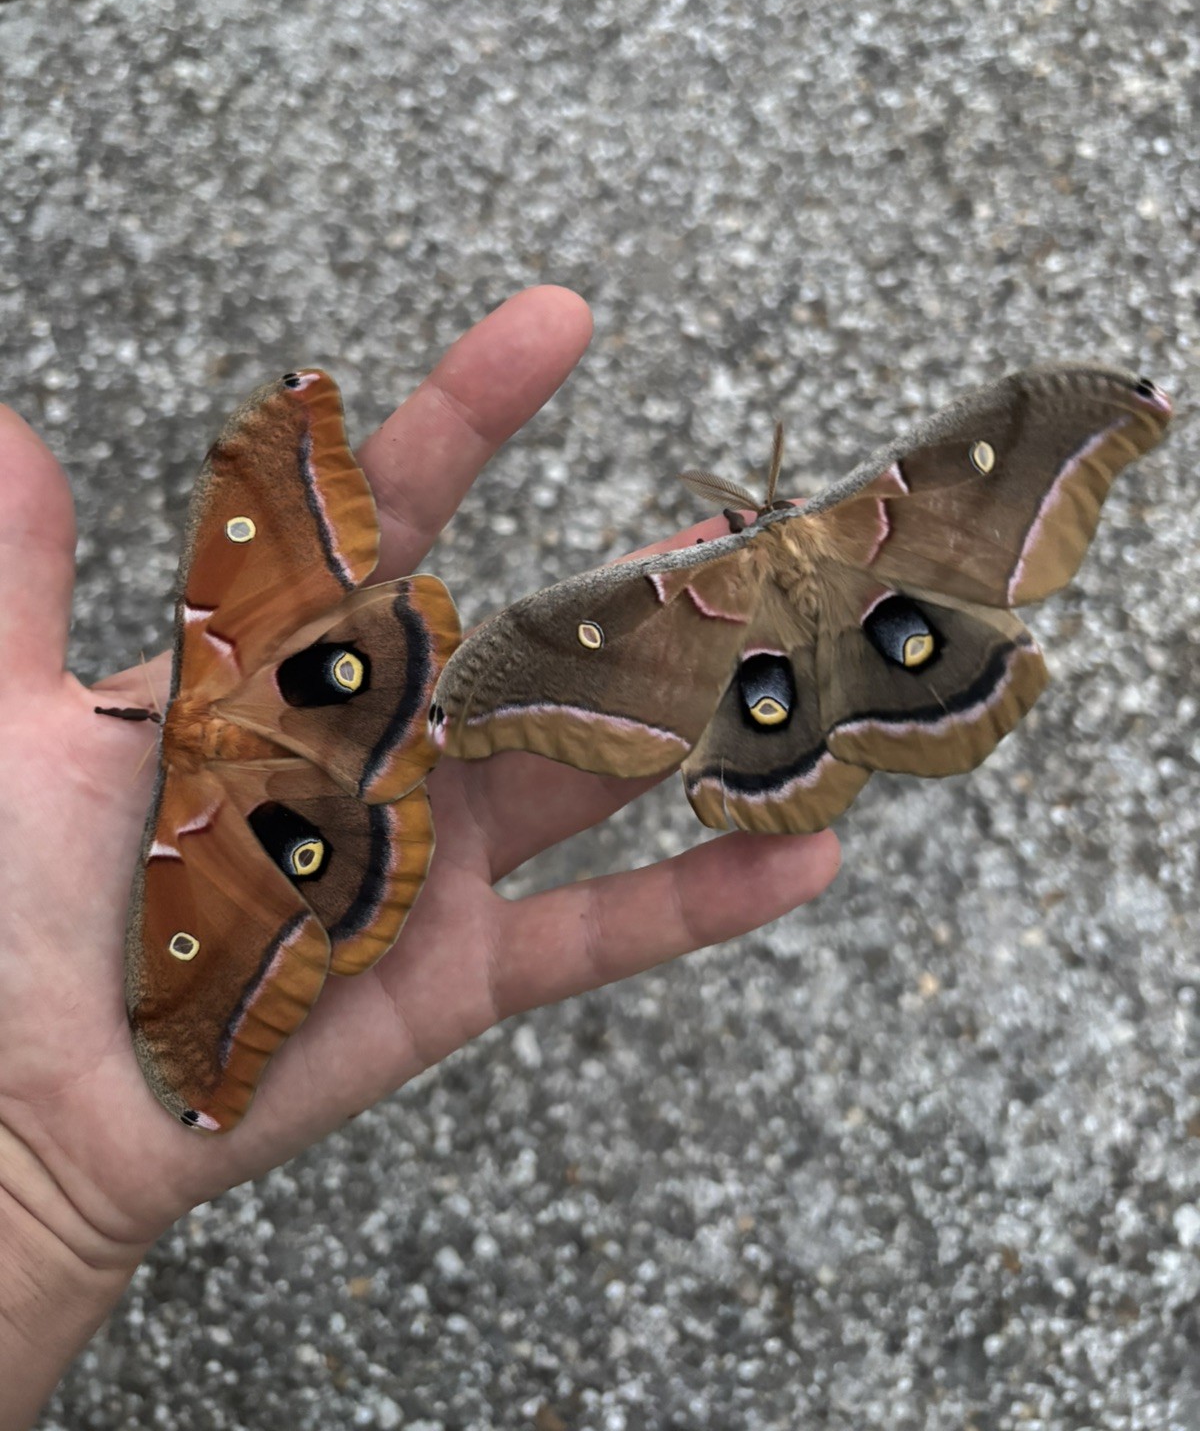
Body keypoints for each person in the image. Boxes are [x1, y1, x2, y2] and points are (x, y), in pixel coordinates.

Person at [0, 286, 840, 1427]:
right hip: (321, 690)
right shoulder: (203, 702)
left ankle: (374, 749)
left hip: (285, 757)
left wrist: (280, 434)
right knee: (306, 830)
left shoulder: (181, 815)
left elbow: (253, 494)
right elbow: (186, 986)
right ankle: (365, 753)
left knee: (311, 803)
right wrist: (45, 1184)